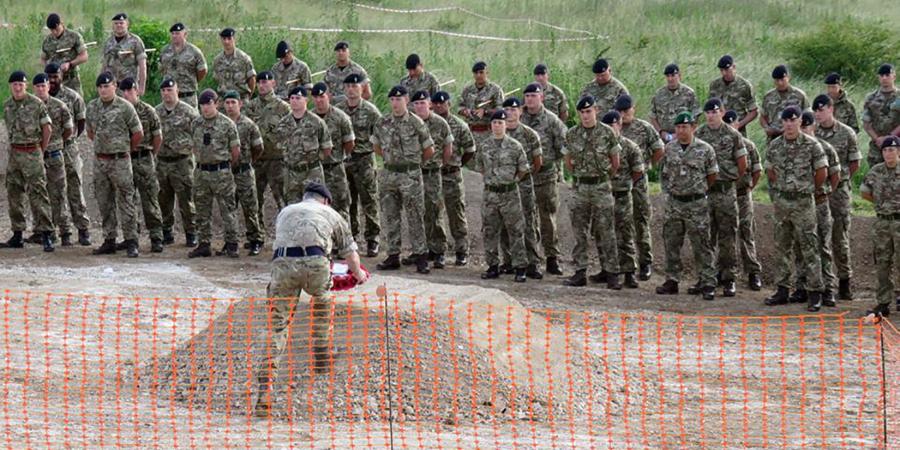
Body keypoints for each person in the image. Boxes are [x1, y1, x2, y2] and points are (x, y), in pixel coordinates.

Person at [254, 181, 367, 417]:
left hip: (283, 264)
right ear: (325, 200)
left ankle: (265, 389)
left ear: (305, 197)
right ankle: (321, 357)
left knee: (277, 326)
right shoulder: (331, 214)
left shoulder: (285, 212)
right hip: (316, 264)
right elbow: (350, 254)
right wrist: (359, 274)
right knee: (322, 306)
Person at [763, 106, 828, 310]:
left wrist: (807, 189)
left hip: (803, 202)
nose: (790, 124)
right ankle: (782, 289)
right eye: (786, 121)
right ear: (782, 123)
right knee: (782, 246)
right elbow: (770, 171)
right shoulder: (775, 146)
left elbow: (822, 172)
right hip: (782, 202)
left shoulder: (812, 145)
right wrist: (783, 188)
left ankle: (815, 291)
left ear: (800, 121)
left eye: (793, 120)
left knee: (809, 247)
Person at [654, 111, 718, 300]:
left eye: (685, 127)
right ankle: (672, 280)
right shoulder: (670, 149)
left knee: (702, 244)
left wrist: (698, 190)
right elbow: (664, 174)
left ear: (693, 127)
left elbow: (712, 176)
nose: (681, 130)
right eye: (678, 127)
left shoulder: (705, 149)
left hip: (696, 203)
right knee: (671, 242)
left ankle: (707, 282)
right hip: (674, 202)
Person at [371, 85, 434, 274]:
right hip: (389, 175)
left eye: (399, 99)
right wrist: (391, 160)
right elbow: (376, 146)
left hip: (410, 175)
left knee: (415, 215)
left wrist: (412, 164)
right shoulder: (382, 122)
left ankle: (420, 255)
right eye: (392, 100)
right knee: (391, 215)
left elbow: (429, 150)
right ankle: (392, 255)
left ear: (406, 100)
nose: (395, 103)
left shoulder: (416, 122)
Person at [563, 96, 622, 289]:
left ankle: (612, 272)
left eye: (589, 112)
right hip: (580, 188)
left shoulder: (607, 133)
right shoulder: (572, 134)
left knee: (606, 231)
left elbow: (615, 162)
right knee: (579, 231)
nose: (586, 116)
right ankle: (580, 272)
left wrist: (603, 178)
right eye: (582, 113)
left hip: (601, 187)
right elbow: (568, 161)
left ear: (595, 110)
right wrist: (580, 177)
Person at [85, 72, 143, 257]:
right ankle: (109, 239)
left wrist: (124, 150)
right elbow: (90, 132)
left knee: (126, 201)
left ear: (114, 87)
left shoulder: (125, 107)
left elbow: (137, 133)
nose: (103, 90)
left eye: (107, 86)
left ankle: (131, 240)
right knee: (104, 201)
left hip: (120, 161)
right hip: (101, 160)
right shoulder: (92, 107)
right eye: (100, 87)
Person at [694, 98, 747, 297]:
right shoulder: (699, 133)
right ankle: (706, 277)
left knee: (728, 236)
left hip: (725, 192)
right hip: (706, 192)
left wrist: (730, 180)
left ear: (722, 112)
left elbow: (742, 164)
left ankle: (728, 278)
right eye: (707, 112)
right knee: (705, 237)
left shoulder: (733, 135)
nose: (711, 115)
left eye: (714, 111)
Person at [812, 94, 861, 300]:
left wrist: (840, 180)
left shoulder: (847, 133)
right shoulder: (811, 132)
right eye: (816, 111)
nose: (818, 114)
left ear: (831, 109)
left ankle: (844, 281)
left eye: (821, 110)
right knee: (818, 237)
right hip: (819, 191)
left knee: (840, 237)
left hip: (839, 191)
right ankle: (821, 282)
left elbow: (854, 163)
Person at [1, 71, 54, 251]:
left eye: (21, 84)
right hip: (15, 154)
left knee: (38, 193)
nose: (17, 87)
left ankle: (46, 234)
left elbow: (47, 129)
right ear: (10, 86)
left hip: (32, 152)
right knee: (14, 194)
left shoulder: (36, 103)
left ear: (26, 86)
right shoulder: (7, 106)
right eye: (14, 84)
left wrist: (40, 150)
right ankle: (17, 234)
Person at [615, 94, 664, 280]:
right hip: (619, 183)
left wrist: (648, 165)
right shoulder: (613, 128)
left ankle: (645, 262)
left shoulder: (644, 128)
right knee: (620, 224)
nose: (623, 115)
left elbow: (659, 149)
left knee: (640, 221)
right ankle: (624, 263)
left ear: (633, 109)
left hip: (638, 184)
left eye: (626, 111)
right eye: (620, 111)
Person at [521, 82, 568, 275]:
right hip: (524, 176)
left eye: (534, 95)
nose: (530, 99)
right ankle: (531, 259)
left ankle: (552, 258)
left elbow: (564, 146)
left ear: (541, 97)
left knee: (547, 218)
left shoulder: (552, 120)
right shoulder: (519, 117)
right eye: (528, 96)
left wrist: (554, 166)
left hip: (546, 176)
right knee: (527, 218)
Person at [188, 89, 241, 258]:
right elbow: (194, 146)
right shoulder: (196, 123)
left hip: (221, 172)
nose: (205, 108)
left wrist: (224, 166)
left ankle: (232, 243)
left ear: (216, 103)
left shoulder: (227, 124)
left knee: (227, 209)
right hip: (202, 171)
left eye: (209, 104)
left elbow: (235, 151)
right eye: (202, 104)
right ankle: (204, 243)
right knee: (202, 209)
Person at [478, 110, 530, 283]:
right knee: (490, 231)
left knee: (516, 231)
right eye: (494, 123)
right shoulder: (484, 146)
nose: (497, 126)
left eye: (500, 122)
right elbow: (481, 166)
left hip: (510, 194)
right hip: (490, 194)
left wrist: (511, 180)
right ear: (490, 125)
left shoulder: (515, 146)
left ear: (506, 125)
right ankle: (493, 266)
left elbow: (523, 169)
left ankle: (520, 267)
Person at [796, 111, 840, 311]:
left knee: (823, 245)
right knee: (801, 246)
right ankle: (802, 286)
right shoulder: (795, 148)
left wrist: (824, 192)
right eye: (801, 126)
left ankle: (828, 288)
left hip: (819, 202)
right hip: (800, 204)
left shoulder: (825, 148)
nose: (804, 130)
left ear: (813, 127)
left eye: (807, 126)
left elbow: (835, 175)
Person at [336, 73, 382, 256]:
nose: (351, 90)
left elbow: (379, 136)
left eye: (355, 86)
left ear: (362, 88)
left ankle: (373, 239)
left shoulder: (371, 111)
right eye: (348, 86)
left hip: (364, 160)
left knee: (369, 200)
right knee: (348, 201)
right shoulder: (338, 110)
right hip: (345, 160)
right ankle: (350, 237)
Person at [598, 110, 645, 288]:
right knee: (604, 234)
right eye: (606, 126)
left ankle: (629, 272)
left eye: (613, 125)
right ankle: (608, 270)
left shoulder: (630, 147)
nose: (610, 129)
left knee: (626, 234)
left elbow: (638, 171)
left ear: (619, 125)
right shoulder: (600, 146)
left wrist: (625, 185)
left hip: (623, 196)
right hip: (604, 195)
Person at [46, 63, 91, 246]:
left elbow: (81, 123)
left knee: (75, 188)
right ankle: (63, 232)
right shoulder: (42, 98)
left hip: (69, 149)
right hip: (51, 150)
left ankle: (83, 229)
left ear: (61, 76)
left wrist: (68, 140)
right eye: (49, 77)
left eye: (55, 76)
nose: (52, 80)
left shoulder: (73, 97)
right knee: (56, 191)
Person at [119, 77, 164, 253]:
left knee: (150, 199)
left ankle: (156, 237)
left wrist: (151, 155)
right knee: (128, 201)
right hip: (126, 159)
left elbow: (158, 137)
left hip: (144, 158)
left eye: (130, 90)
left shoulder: (148, 111)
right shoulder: (120, 111)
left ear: (137, 90)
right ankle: (131, 237)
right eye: (124, 91)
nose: (127, 94)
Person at [431, 90, 475, 266]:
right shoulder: (429, 124)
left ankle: (461, 250)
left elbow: (470, 150)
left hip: (452, 175)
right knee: (435, 214)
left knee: (456, 213)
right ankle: (438, 250)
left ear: (449, 104)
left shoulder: (459, 125)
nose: (440, 106)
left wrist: (457, 164)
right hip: (434, 175)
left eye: (443, 103)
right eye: (436, 103)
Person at [501, 97, 543, 279]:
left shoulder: (529, 135)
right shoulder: (498, 134)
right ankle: (508, 261)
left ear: (520, 111)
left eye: (514, 109)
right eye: (507, 110)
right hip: (503, 188)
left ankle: (533, 263)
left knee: (528, 224)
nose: (510, 113)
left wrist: (523, 177)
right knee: (504, 224)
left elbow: (537, 162)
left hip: (523, 186)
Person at [410, 90, 452, 269]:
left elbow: (448, 148)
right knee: (416, 212)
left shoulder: (439, 123)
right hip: (413, 173)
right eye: (416, 103)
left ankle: (439, 250)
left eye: (423, 103)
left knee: (434, 211)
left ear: (429, 104)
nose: (420, 106)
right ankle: (421, 249)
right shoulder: (410, 122)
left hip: (432, 173)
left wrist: (440, 165)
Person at [155, 78, 200, 247]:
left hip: (182, 162)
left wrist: (187, 148)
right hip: (162, 162)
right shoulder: (156, 112)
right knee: (163, 199)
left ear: (177, 90)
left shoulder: (189, 112)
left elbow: (198, 135)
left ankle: (191, 232)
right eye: (164, 90)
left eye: (170, 90)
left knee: (186, 200)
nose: (167, 93)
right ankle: (167, 231)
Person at [859, 136, 900, 318]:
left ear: (898, 151)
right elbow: (865, 192)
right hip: (882, 222)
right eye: (885, 150)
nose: (888, 153)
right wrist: (883, 205)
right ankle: (883, 303)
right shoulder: (876, 171)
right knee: (883, 263)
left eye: (892, 150)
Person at [31, 73, 73, 246]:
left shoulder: (59, 106)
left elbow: (69, 130)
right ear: (34, 88)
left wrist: (57, 143)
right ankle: (43, 231)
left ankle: (65, 232)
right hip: (36, 156)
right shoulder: (30, 106)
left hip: (54, 155)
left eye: (44, 85)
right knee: (39, 195)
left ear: (49, 86)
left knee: (58, 194)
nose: (41, 89)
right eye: (38, 86)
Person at [724, 110, 763, 290]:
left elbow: (757, 171)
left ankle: (753, 273)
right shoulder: (720, 146)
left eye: (733, 124)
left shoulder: (748, 146)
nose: (731, 127)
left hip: (742, 194)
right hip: (725, 196)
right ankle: (727, 274)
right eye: (727, 124)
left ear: (738, 125)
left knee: (747, 233)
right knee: (726, 235)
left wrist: (748, 188)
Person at [222, 90, 264, 256]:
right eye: (227, 103)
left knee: (250, 207)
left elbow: (258, 148)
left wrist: (248, 161)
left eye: (233, 102)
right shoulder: (221, 123)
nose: (230, 106)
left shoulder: (248, 125)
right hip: (226, 173)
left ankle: (255, 240)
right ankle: (230, 241)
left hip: (244, 172)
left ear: (240, 103)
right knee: (228, 208)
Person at [246, 71, 291, 227]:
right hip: (257, 160)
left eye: (266, 82)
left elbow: (292, 132)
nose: (262, 85)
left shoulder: (283, 107)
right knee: (254, 199)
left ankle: (287, 233)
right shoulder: (250, 107)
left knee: (282, 199)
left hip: (277, 160)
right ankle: (257, 236)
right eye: (259, 82)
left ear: (273, 83)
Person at [275, 85, 332, 205]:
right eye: (292, 98)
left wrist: (314, 161)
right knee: (293, 208)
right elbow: (280, 147)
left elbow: (326, 148)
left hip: (311, 172)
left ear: (306, 100)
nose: (294, 101)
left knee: (315, 208)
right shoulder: (283, 124)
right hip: (291, 174)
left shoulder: (317, 122)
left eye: (298, 98)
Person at [311, 82, 354, 222]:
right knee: (316, 209)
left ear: (328, 96)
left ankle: (344, 240)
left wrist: (339, 158)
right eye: (316, 97)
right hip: (316, 170)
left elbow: (349, 143)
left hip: (335, 169)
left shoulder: (340, 117)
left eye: (322, 97)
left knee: (341, 208)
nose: (319, 100)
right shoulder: (310, 118)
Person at [158, 22, 207, 108]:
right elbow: (161, 69)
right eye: (172, 34)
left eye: (177, 33)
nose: (174, 36)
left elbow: (202, 70)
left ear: (185, 34)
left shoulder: (194, 52)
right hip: (169, 97)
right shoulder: (165, 51)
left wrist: (191, 80)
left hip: (187, 96)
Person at [649, 63, 701, 144]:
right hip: (663, 138)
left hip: (684, 137)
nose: (670, 79)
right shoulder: (659, 94)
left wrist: (681, 133)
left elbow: (695, 117)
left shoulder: (689, 93)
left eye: (673, 75)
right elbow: (653, 116)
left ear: (679, 76)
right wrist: (661, 132)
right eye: (668, 76)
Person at [708, 55, 758, 136]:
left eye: (727, 69)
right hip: (718, 131)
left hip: (738, 132)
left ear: (734, 67)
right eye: (721, 70)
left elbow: (754, 111)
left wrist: (738, 124)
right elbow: (710, 108)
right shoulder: (715, 85)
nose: (724, 73)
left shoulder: (745, 86)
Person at [459, 61, 504, 151]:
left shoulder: (495, 90)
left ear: (487, 73)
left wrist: (485, 112)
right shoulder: (467, 90)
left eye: (481, 72)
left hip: (487, 133)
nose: (478, 75)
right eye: (476, 73)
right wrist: (465, 111)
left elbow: (501, 111)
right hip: (470, 133)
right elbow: (460, 107)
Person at [40, 13, 89, 95]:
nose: (55, 32)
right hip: (54, 82)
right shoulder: (47, 41)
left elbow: (84, 56)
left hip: (71, 80)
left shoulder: (74, 36)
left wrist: (70, 64)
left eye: (57, 29)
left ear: (61, 24)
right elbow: (42, 58)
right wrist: (47, 69)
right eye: (52, 30)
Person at [862, 63, 899, 167]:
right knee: (876, 178)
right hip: (877, 147)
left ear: (894, 76)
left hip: (897, 145)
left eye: (887, 75)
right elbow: (866, 123)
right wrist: (877, 139)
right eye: (881, 75)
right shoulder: (871, 98)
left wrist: (890, 137)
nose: (884, 78)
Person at [760, 64, 809, 142]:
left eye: (782, 79)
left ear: (788, 78)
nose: (780, 83)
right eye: (777, 80)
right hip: (774, 138)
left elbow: (807, 116)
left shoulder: (800, 95)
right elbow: (763, 116)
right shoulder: (768, 97)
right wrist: (767, 128)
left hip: (794, 137)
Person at [101, 13, 146, 94]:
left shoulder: (135, 41)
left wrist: (141, 87)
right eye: (116, 23)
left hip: (128, 87)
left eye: (121, 23)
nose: (119, 25)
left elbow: (142, 66)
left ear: (127, 24)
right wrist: (101, 83)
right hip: (112, 87)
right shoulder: (108, 43)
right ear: (112, 25)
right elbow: (104, 65)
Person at [211, 28, 256, 100]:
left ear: (234, 39)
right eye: (224, 39)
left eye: (229, 38)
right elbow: (217, 79)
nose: (226, 42)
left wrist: (249, 96)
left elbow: (252, 79)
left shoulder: (244, 58)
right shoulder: (217, 60)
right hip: (223, 99)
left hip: (241, 98)